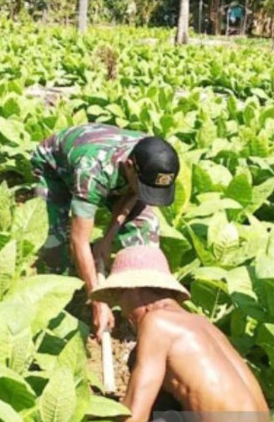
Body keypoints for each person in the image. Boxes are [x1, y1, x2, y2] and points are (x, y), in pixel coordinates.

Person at [90, 245, 270, 422]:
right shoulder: (202, 324)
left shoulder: (156, 323)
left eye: (119, 298)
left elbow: (134, 420)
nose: (123, 312)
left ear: (134, 290)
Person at [30, 124, 180, 340]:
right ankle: (58, 304)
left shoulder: (151, 159)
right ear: (129, 166)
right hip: (54, 168)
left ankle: (142, 309)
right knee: (54, 240)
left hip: (118, 176)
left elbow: (134, 193)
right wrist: (98, 301)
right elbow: (78, 240)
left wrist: (108, 237)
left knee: (147, 226)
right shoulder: (93, 170)